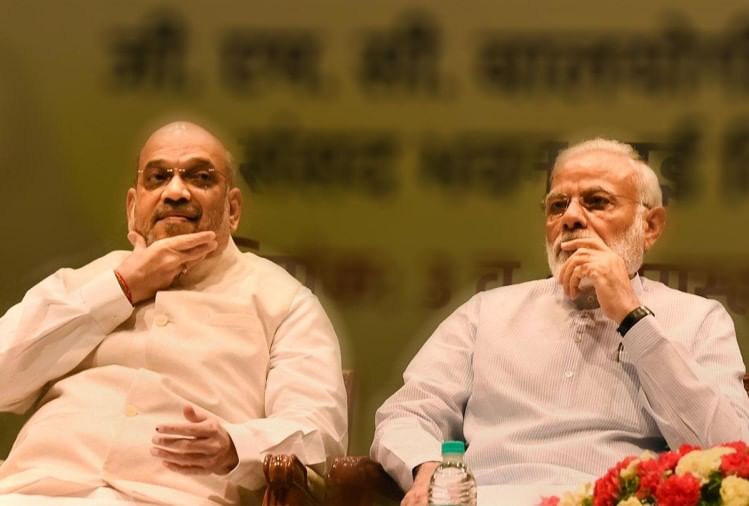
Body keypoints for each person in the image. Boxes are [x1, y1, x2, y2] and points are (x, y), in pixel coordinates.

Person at [371, 138, 749, 505]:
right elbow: (408, 412)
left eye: (597, 202)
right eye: (557, 206)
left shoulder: (698, 319)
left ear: (649, 226)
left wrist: (632, 318)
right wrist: (428, 470)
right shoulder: (486, 313)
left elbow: (730, 451)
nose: (570, 218)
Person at [0, 121, 347, 505]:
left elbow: (318, 434)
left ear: (232, 209)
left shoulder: (284, 300)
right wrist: (120, 289)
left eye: (200, 177)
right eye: (158, 177)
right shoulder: (81, 282)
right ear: (133, 208)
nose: (176, 192)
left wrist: (235, 446)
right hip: (31, 491)